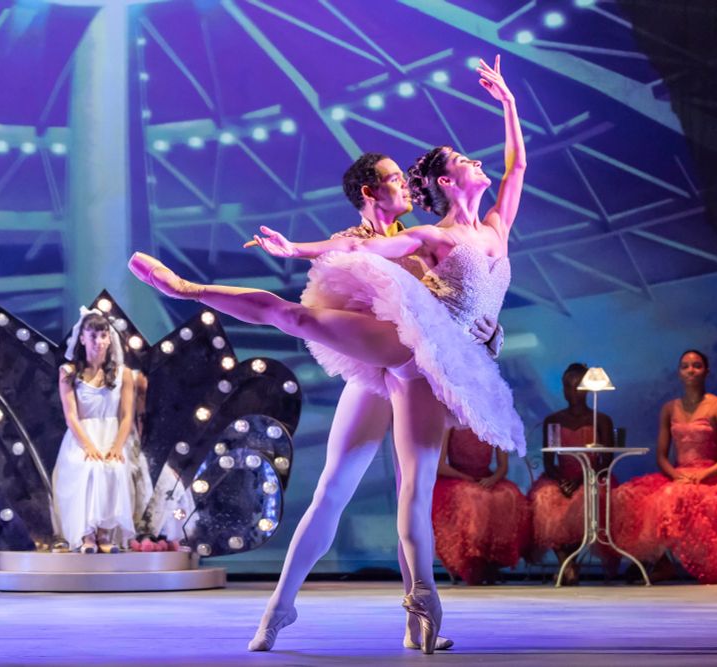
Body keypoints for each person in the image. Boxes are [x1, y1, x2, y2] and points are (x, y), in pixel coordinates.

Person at [130, 54, 525, 653]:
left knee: (413, 487)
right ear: (372, 192)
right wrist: (294, 250)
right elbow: (356, 257)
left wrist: (509, 104)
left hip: (424, 363)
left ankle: (419, 612)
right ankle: (279, 607)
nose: (403, 186)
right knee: (333, 487)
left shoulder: (446, 234)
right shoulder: (408, 239)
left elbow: (513, 177)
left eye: (405, 180)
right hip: (383, 360)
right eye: (393, 180)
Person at [611, 350, 717, 584]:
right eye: (685, 366)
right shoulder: (670, 408)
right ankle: (661, 563)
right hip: (678, 475)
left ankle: (671, 563)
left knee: (671, 496)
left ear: (706, 371)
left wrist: (703, 474)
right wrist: (675, 475)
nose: (691, 370)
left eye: (697, 365)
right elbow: (661, 456)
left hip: (709, 478)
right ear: (679, 372)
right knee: (626, 495)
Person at [52, 309, 136, 554]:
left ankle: (104, 534)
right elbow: (71, 415)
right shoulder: (68, 372)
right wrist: (88, 446)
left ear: (109, 339)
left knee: (113, 468)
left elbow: (127, 416)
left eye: (103, 336)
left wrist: (117, 447)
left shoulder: (123, 374)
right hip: (81, 437)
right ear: (82, 339)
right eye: (93, 336)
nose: (98, 341)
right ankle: (86, 535)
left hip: (111, 436)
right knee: (90, 468)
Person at [530, 363, 619, 584]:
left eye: (577, 386)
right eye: (567, 386)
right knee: (545, 500)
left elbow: (606, 459)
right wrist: (561, 480)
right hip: (561, 478)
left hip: (592, 477)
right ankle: (567, 565)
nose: (571, 392)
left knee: (586, 501)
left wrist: (581, 479)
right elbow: (549, 460)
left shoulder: (601, 420)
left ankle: (570, 564)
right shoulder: (554, 420)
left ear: (587, 389)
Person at [433, 427, 531, 584]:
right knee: (474, 500)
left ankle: (492, 561)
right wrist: (465, 477)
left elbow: (503, 467)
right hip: (456, 478)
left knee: (507, 496)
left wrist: (493, 479)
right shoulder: (450, 424)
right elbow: (440, 465)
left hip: (485, 478)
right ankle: (473, 562)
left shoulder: (495, 424)